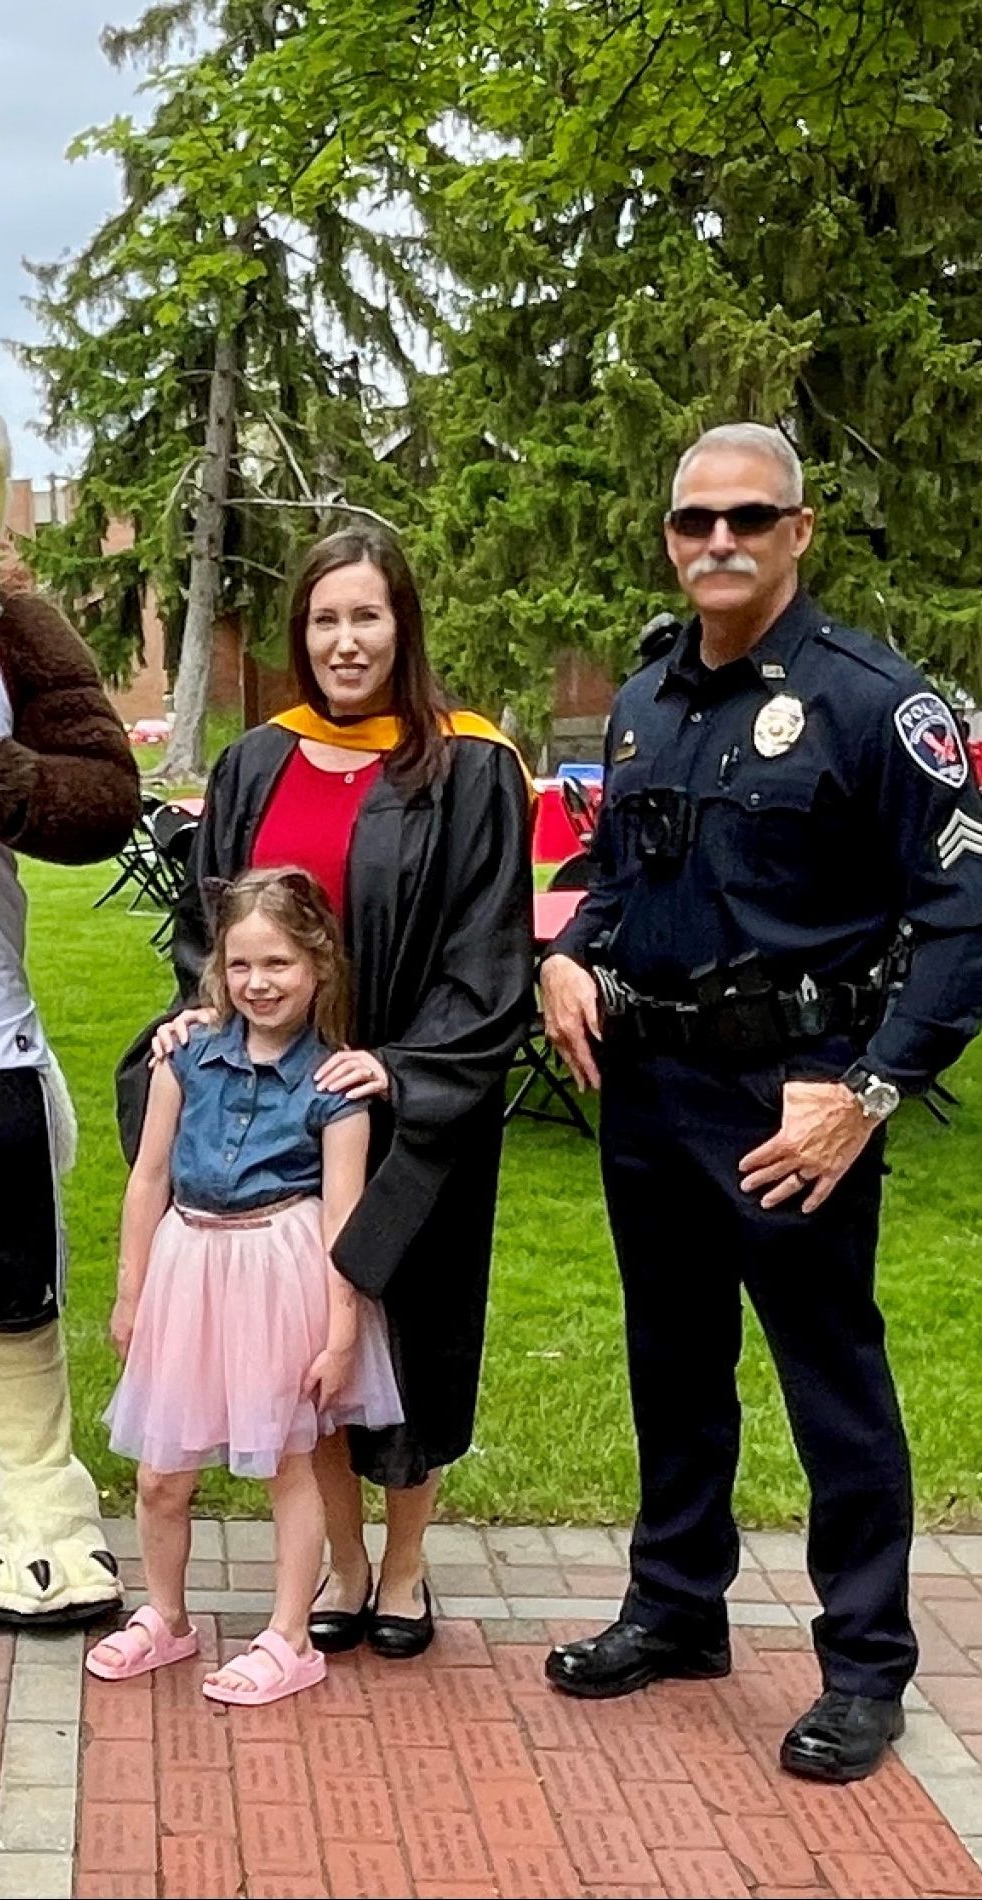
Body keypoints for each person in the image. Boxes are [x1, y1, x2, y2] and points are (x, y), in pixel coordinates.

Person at [540, 421, 982, 1782]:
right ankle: (677, 1610)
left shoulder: (873, 703)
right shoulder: (647, 695)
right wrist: (566, 955)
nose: (717, 542)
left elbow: (963, 914)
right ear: (671, 539)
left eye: (746, 518)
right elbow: (619, 872)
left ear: (797, 532)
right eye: (693, 522)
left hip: (795, 1097)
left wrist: (871, 1092)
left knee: (828, 1377)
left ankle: (865, 1668)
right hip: (652, 1082)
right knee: (673, 1363)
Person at [120, 522, 533, 1662]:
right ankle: (342, 1566)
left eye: (367, 616)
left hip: (411, 1101)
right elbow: (213, 928)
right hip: (276, 1100)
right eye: (324, 619)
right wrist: (206, 1013)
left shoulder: (470, 767)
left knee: (414, 1325)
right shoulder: (257, 761)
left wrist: (398, 1067)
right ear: (301, 637)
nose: (346, 641)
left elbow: (487, 951)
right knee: (310, 1337)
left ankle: (402, 1567)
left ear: (403, 625)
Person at [91, 870, 402, 1706]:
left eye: (279, 965)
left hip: (281, 1270)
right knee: (162, 1471)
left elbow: (343, 1215)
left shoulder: (336, 1084)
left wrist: (340, 1333)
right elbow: (147, 1178)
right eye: (240, 966)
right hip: (188, 1265)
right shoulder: (183, 1054)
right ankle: (167, 1615)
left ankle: (289, 1635)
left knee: (286, 1461)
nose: (259, 984)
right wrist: (131, 1290)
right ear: (217, 969)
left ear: (318, 967)